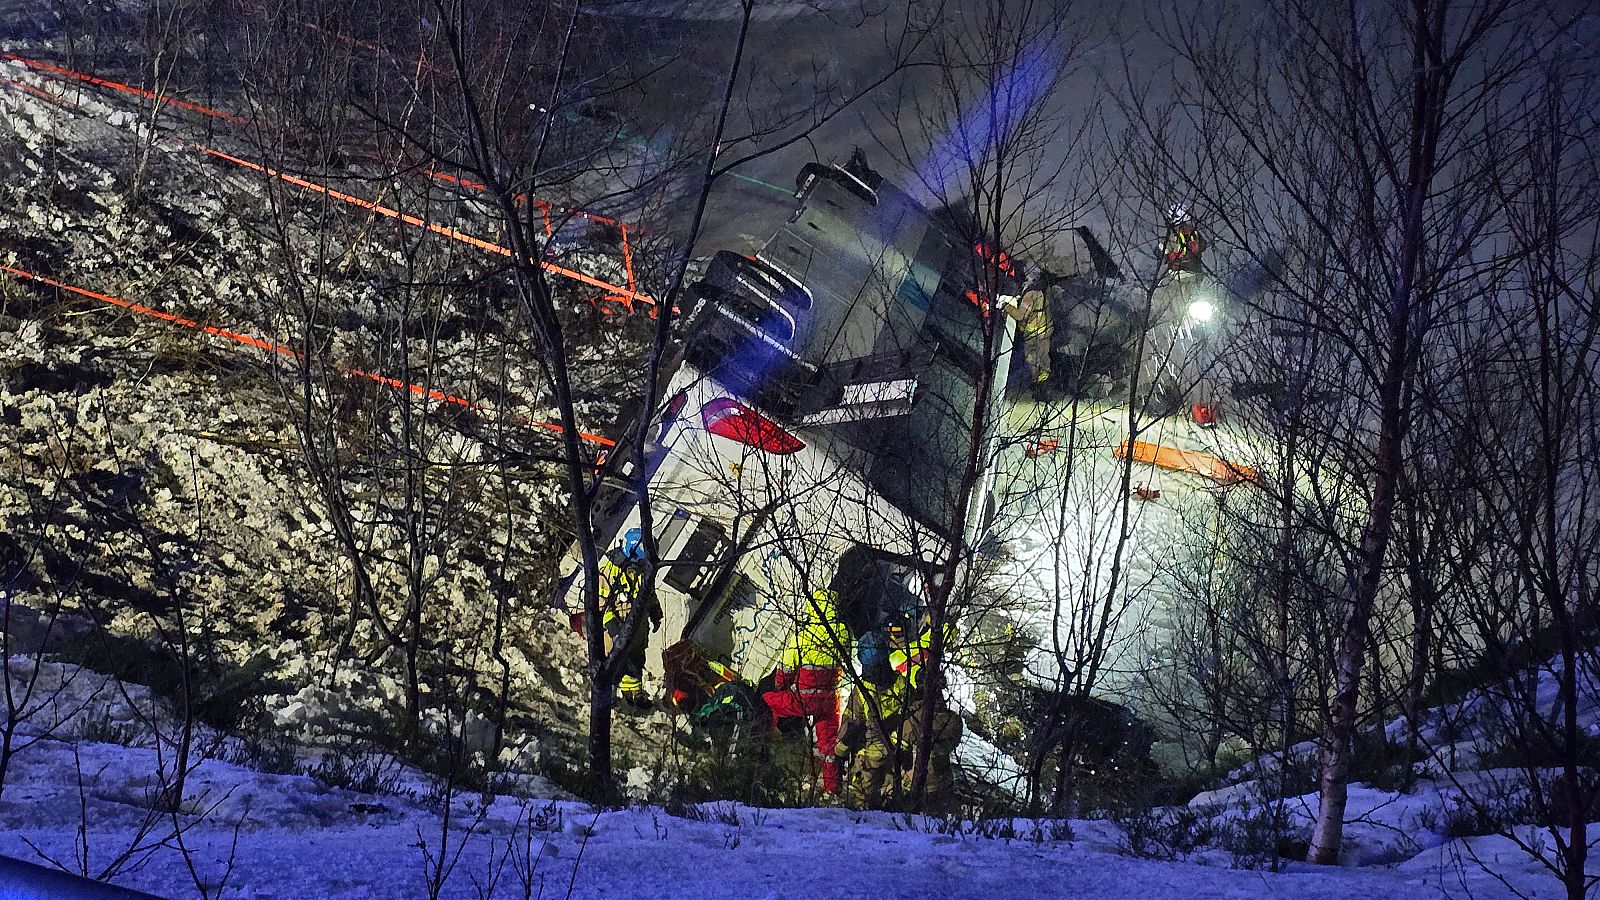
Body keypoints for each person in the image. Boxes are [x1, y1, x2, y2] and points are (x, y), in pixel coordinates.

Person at [762, 588, 850, 794]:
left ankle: (763, 746)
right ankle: (833, 790)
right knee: (828, 747)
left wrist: (779, 686)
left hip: (805, 699)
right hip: (830, 698)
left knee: (766, 700)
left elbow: (785, 669)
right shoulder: (843, 631)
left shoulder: (804, 635)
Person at [599, 527, 661, 711]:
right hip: (616, 627)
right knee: (613, 662)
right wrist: (613, 628)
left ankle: (634, 694)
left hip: (638, 627)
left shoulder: (642, 569)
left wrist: (655, 612)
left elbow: (649, 592)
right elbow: (600, 604)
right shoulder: (609, 572)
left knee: (635, 661)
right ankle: (606, 696)